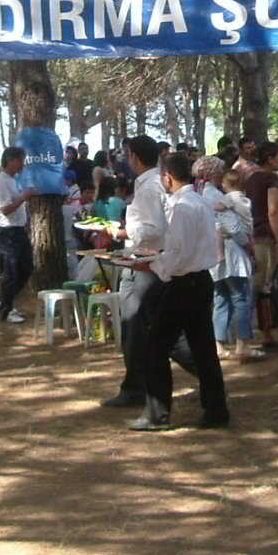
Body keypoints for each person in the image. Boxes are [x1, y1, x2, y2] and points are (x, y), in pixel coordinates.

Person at [124, 152, 230, 431]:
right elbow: (185, 250)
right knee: (204, 350)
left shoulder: (183, 207)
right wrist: (158, 260)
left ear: (167, 177)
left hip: (185, 283)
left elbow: (179, 255)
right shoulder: (201, 201)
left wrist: (152, 265)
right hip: (199, 280)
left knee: (155, 346)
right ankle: (216, 409)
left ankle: (157, 414)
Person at [100, 135, 198, 408]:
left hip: (146, 264)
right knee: (154, 328)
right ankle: (140, 384)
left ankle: (137, 387)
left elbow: (154, 229)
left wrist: (122, 232)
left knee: (138, 327)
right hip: (149, 261)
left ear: (134, 157)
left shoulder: (149, 187)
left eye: (128, 154)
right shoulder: (151, 184)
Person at [196, 157, 260, 363]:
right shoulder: (218, 196)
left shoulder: (200, 194)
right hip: (232, 251)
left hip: (213, 254)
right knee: (240, 298)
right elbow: (232, 227)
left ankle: (219, 344)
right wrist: (247, 243)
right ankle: (242, 343)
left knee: (220, 300)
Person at [244, 140, 278, 346]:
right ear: (270, 159)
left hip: (255, 233)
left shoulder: (251, 179)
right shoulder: (271, 179)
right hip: (269, 236)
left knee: (263, 285)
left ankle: (268, 332)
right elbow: (273, 210)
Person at [0, 147, 35, 324]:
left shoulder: (12, 180)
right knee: (12, 272)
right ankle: (6, 309)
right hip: (7, 232)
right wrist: (24, 197)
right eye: (20, 161)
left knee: (26, 267)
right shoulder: (2, 182)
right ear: (10, 161)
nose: (22, 164)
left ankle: (4, 297)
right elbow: (5, 208)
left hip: (17, 230)